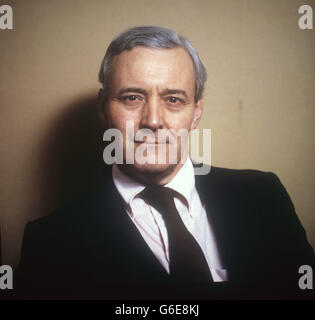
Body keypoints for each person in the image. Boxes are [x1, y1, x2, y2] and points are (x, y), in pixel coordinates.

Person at [16, 26, 315, 300]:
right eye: (132, 97)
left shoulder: (264, 196)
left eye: (173, 99)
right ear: (103, 108)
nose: (153, 121)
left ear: (196, 113)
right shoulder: (50, 242)